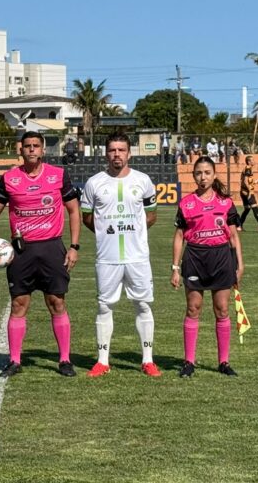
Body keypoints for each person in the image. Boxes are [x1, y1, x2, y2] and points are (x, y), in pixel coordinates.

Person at [0, 131, 81, 378]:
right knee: (18, 304)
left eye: (36, 145)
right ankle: (14, 360)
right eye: (27, 146)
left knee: (57, 302)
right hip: (21, 251)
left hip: (52, 248)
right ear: (20, 150)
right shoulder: (9, 178)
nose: (32, 149)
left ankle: (65, 359)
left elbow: (73, 210)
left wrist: (74, 247)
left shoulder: (59, 175)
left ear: (43, 150)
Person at [81, 133, 161, 378]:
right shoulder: (93, 183)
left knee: (143, 304)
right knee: (104, 305)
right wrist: (108, 233)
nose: (117, 154)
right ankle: (102, 361)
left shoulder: (143, 181)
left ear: (129, 153)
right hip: (107, 257)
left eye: (121, 150)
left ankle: (147, 360)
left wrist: (133, 232)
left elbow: (151, 216)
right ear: (106, 153)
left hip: (138, 257)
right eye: (112, 150)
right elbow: (87, 218)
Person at [170, 156, 244, 378]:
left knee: (222, 309)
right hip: (195, 258)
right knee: (193, 308)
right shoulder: (186, 204)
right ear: (194, 176)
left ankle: (224, 362)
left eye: (207, 173)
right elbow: (179, 237)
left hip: (221, 257)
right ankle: (189, 362)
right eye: (198, 173)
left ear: (214, 175)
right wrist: (175, 268)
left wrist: (239, 264)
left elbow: (233, 236)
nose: (203, 177)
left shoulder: (225, 202)